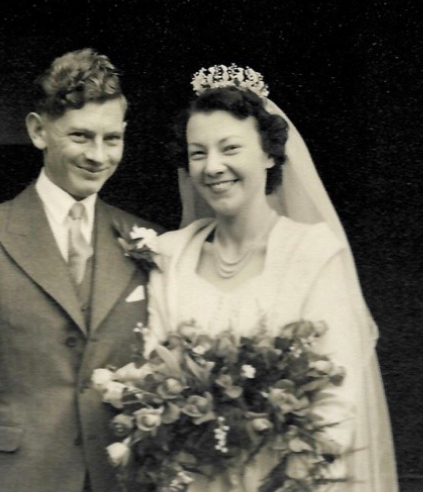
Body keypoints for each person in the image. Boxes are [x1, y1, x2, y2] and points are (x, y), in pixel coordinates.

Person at [147, 65, 399, 491]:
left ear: (268, 152)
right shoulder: (170, 255)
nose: (213, 167)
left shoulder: (313, 254)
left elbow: (336, 401)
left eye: (230, 148)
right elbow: (156, 376)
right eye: (197, 153)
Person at [0, 48, 161, 492]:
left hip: (115, 478)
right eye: (80, 136)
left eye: (112, 139)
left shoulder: (148, 239)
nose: (98, 156)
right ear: (38, 131)